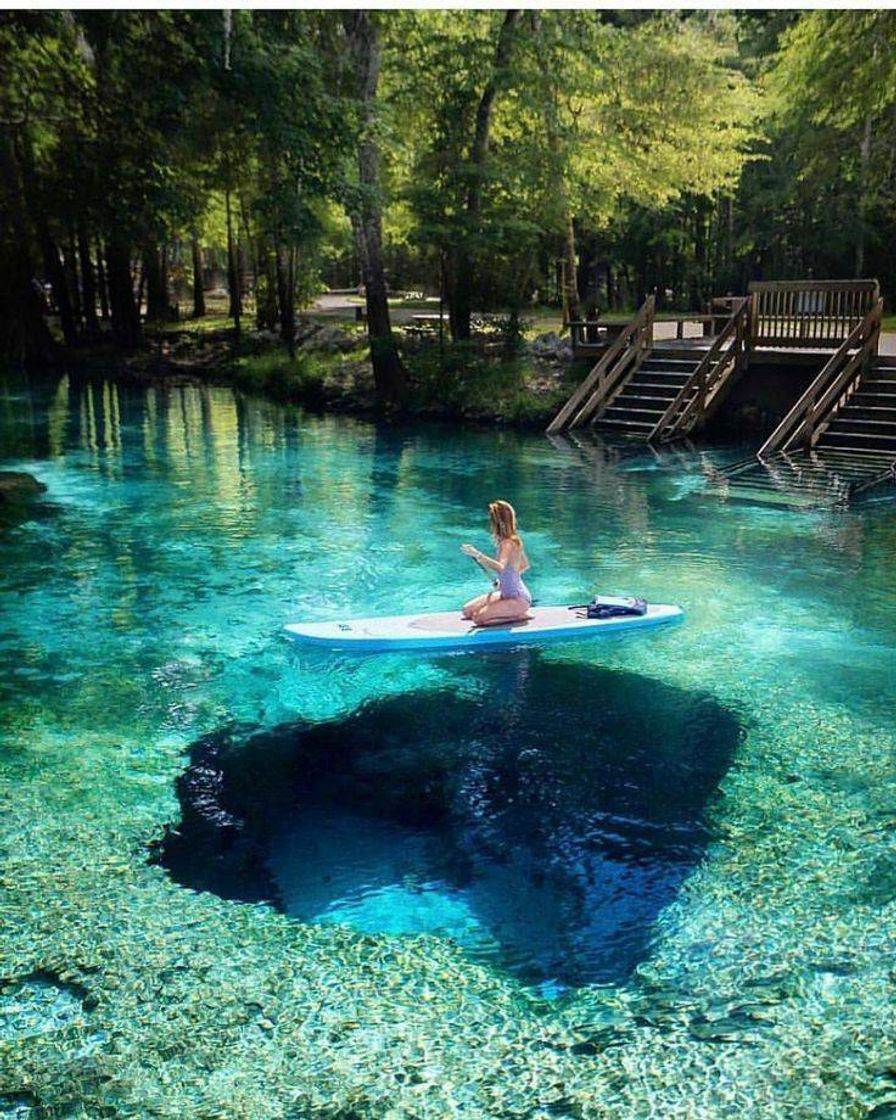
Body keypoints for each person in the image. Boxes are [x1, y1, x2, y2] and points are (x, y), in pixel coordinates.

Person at [461, 500, 532, 626]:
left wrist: (478, 555)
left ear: (497, 522)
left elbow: (500, 567)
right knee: (467, 611)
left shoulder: (508, 543)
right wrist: (505, 580)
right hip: (505, 594)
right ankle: (511, 612)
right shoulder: (512, 540)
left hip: (518, 599)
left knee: (478, 619)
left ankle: (520, 616)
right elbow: (524, 565)